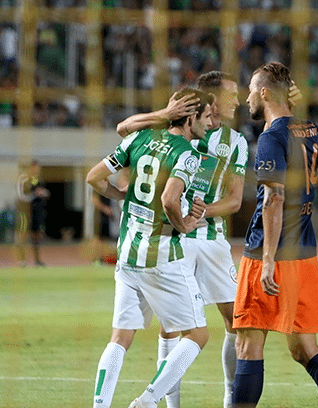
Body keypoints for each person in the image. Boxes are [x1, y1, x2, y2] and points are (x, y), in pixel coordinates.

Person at [116, 71, 302, 408]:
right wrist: (162, 114)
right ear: (212, 99)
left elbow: (233, 201)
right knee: (172, 328)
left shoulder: (235, 142)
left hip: (211, 240)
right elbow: (123, 129)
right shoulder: (177, 126)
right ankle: (168, 404)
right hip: (174, 239)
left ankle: (231, 396)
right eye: (231, 94)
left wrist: (200, 214)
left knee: (236, 320)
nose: (236, 101)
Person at [231, 61, 318, 408]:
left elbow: (273, 199)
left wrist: (267, 260)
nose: (247, 98)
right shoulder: (309, 129)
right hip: (304, 254)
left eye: (252, 90)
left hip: (267, 254)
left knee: (248, 345)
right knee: (305, 349)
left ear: (265, 92)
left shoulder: (270, 138)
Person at [86, 88, 214, 408]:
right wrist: (184, 224)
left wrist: (120, 196)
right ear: (190, 117)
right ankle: (148, 400)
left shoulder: (138, 138)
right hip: (162, 257)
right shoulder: (186, 153)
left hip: (128, 253)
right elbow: (169, 199)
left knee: (120, 337)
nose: (209, 124)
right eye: (206, 116)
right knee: (197, 335)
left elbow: (94, 178)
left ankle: (100, 405)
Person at [15, 160, 50, 267]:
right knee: (22, 235)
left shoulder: (37, 179)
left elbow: (40, 192)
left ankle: (37, 261)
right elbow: (21, 196)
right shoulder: (23, 179)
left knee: (36, 236)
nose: (38, 170)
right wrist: (34, 194)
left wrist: (44, 193)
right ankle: (21, 261)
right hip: (24, 212)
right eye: (36, 168)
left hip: (36, 212)